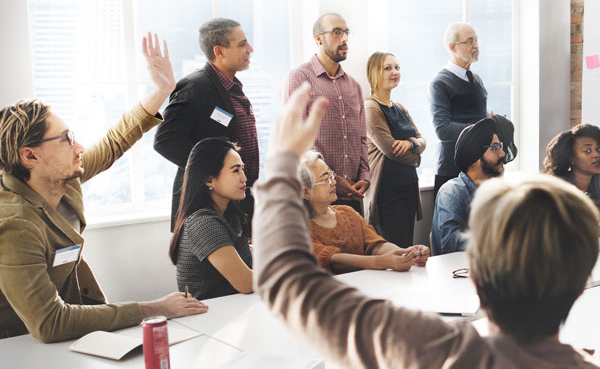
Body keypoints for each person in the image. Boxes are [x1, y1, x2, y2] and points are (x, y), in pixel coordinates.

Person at [252, 82, 600, 369]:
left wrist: (282, 163)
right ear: (581, 289)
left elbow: (288, 284)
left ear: (474, 275)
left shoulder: (441, 352)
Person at [0, 33, 208, 342]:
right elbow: (49, 323)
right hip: (19, 345)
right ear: (30, 156)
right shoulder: (15, 224)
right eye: (67, 138)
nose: (79, 146)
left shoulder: (64, 178)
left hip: (70, 334)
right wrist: (153, 307)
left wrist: (161, 90)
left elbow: (114, 141)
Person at [154, 18, 258, 233]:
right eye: (242, 44)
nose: (250, 49)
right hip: (206, 203)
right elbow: (166, 140)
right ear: (219, 51)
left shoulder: (232, 88)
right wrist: (212, 173)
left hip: (239, 200)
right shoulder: (196, 86)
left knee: (245, 263)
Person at [282, 13, 369, 215]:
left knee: (356, 247)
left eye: (346, 32)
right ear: (318, 38)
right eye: (337, 32)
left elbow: (362, 138)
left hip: (354, 195)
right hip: (316, 196)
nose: (345, 38)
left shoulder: (354, 86)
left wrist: (365, 176)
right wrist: (332, 178)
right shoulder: (300, 77)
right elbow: (297, 138)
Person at [299, 151, 429, 274]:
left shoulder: (347, 212)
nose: (333, 182)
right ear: (305, 191)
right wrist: (382, 262)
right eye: (325, 178)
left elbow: (375, 244)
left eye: (331, 176)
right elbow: (333, 261)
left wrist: (407, 253)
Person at [168, 138, 253, 300]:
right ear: (209, 180)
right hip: (209, 320)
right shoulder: (203, 223)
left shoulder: (228, 214)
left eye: (242, 169)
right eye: (236, 170)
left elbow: (249, 253)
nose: (244, 178)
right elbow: (246, 282)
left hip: (235, 310)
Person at [364, 52, 426, 247]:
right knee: (396, 252)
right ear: (374, 73)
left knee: (407, 247)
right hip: (387, 193)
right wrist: (416, 158)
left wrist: (411, 144)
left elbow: (422, 140)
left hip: (408, 189)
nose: (395, 72)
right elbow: (390, 150)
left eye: (397, 67)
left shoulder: (400, 107)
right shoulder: (371, 108)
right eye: (388, 68)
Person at [429, 22, 487, 198]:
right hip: (452, 169)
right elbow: (442, 130)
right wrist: (480, 128)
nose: (476, 45)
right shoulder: (440, 82)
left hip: (479, 166)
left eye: (476, 39)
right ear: (453, 47)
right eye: (469, 41)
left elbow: (478, 118)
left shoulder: (476, 79)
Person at [431, 118, 505, 255]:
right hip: (454, 273)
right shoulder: (451, 193)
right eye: (495, 148)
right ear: (475, 156)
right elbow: (451, 244)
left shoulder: (493, 191)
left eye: (500, 146)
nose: (502, 153)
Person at [544, 123, 600, 210]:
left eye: (598, 149)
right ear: (570, 157)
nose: (596, 154)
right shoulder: (557, 188)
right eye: (587, 151)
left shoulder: (596, 182)